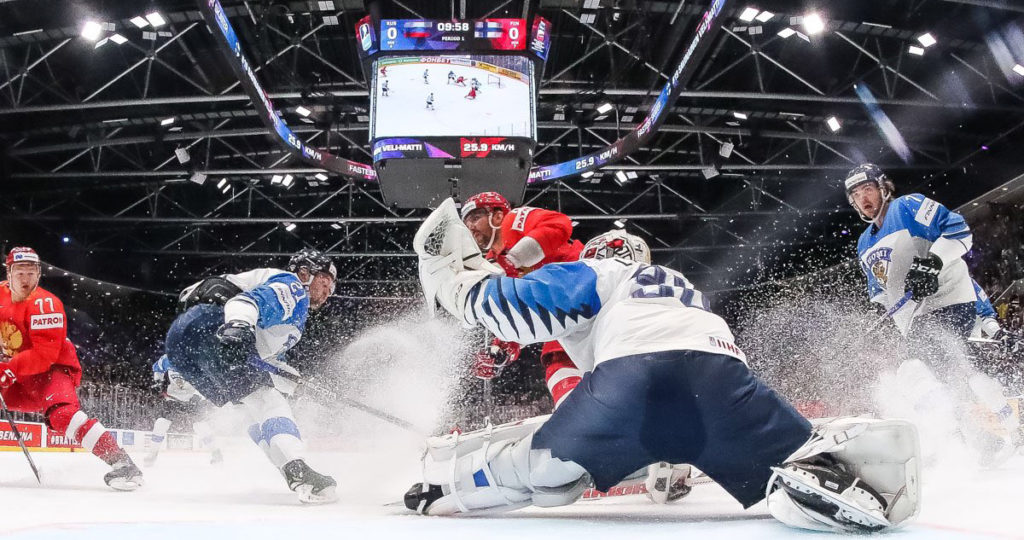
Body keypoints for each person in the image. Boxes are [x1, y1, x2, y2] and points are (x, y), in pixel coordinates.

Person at [404, 199, 922, 533]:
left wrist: (456, 284)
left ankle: (449, 485)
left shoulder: (598, 271)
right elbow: (693, 351)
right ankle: (826, 468)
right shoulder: (678, 283)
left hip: (633, 383)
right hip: (725, 381)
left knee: (545, 475)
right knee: (785, 469)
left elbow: (517, 309)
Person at [845, 163, 1018, 463]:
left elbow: (959, 230)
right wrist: (902, 330)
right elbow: (885, 296)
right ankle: (983, 440)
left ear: (884, 188)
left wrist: (933, 262)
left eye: (868, 189)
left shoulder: (908, 206)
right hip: (920, 317)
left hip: (950, 298)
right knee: (947, 377)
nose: (863, 198)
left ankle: (955, 440)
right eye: (856, 195)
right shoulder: (864, 244)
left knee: (914, 371)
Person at [164, 249, 338, 503]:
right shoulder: (293, 287)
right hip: (212, 328)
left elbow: (268, 364)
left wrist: (299, 384)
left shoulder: (291, 313)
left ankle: (292, 470)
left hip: (186, 346)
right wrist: (238, 327)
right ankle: (298, 468)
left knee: (251, 409)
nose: (326, 294)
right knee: (268, 401)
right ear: (306, 273)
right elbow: (243, 303)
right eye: (325, 283)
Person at [0, 247, 143, 490]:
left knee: (63, 415)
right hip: (19, 376)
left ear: (39, 274)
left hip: (52, 371)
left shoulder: (45, 304)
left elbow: (44, 354)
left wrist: (9, 370)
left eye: (31, 272)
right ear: (9, 272)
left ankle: (124, 465)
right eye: (20, 272)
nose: (26, 278)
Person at [460, 192, 585, 408]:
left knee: (561, 349)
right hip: (564, 314)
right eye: (466, 222)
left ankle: (577, 412)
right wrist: (500, 349)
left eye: (474, 218)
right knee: (557, 354)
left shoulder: (514, 221)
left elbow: (559, 224)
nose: (470, 227)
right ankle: (574, 411)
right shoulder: (492, 264)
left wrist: (514, 260)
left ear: (497, 216)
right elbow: (521, 312)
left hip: (586, 286)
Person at [143, 354, 223, 467]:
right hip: (173, 397)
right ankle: (152, 454)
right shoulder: (167, 358)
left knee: (200, 426)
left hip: (194, 398)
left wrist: (197, 395)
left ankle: (216, 453)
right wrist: (158, 381)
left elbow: (208, 380)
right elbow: (158, 368)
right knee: (161, 423)